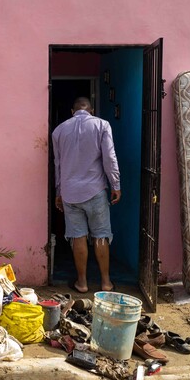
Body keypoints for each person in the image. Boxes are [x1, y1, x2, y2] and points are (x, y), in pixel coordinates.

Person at [52, 97, 121, 293]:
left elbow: (58, 164)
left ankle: (81, 282)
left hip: (70, 193)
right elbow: (109, 157)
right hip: (95, 190)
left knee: (78, 237)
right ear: (91, 109)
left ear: (72, 111)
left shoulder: (59, 130)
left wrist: (59, 192)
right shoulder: (102, 125)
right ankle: (106, 282)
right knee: (100, 236)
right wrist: (115, 184)